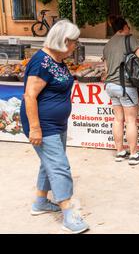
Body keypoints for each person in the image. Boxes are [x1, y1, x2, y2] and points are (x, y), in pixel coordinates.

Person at [19, 20, 89, 233]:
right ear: (64, 41)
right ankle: (68, 214)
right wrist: (35, 128)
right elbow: (30, 95)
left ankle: (40, 202)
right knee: (59, 166)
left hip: (57, 123)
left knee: (48, 163)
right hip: (43, 124)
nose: (76, 46)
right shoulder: (41, 61)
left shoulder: (57, 60)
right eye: (74, 42)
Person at [103, 17, 139, 165]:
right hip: (125, 86)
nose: (130, 29)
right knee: (130, 121)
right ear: (124, 27)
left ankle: (120, 151)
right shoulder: (130, 39)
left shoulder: (108, 44)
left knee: (117, 119)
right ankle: (134, 155)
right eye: (128, 26)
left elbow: (106, 69)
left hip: (110, 85)